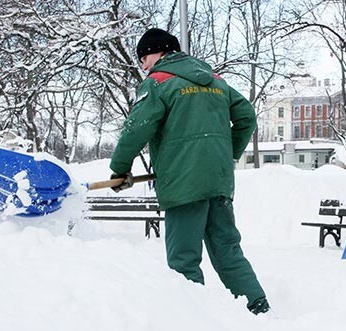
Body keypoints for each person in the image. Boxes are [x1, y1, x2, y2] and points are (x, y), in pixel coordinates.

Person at [109, 28, 269, 315]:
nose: (144, 66)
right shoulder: (217, 81)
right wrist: (227, 153)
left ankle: (192, 322)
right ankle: (258, 310)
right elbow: (246, 116)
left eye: (144, 58)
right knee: (228, 251)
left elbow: (136, 130)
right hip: (218, 181)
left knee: (184, 259)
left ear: (159, 52)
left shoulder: (158, 82)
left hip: (183, 184)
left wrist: (119, 169)